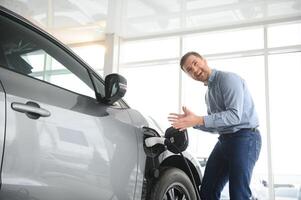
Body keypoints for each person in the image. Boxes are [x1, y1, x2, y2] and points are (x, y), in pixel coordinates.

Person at [168, 51, 262, 200]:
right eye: (190, 70)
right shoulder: (208, 94)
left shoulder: (227, 79)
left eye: (195, 63)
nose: (195, 70)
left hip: (245, 138)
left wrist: (198, 119)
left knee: (239, 194)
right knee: (207, 191)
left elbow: (234, 116)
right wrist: (192, 122)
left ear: (204, 60)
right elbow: (217, 125)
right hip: (225, 140)